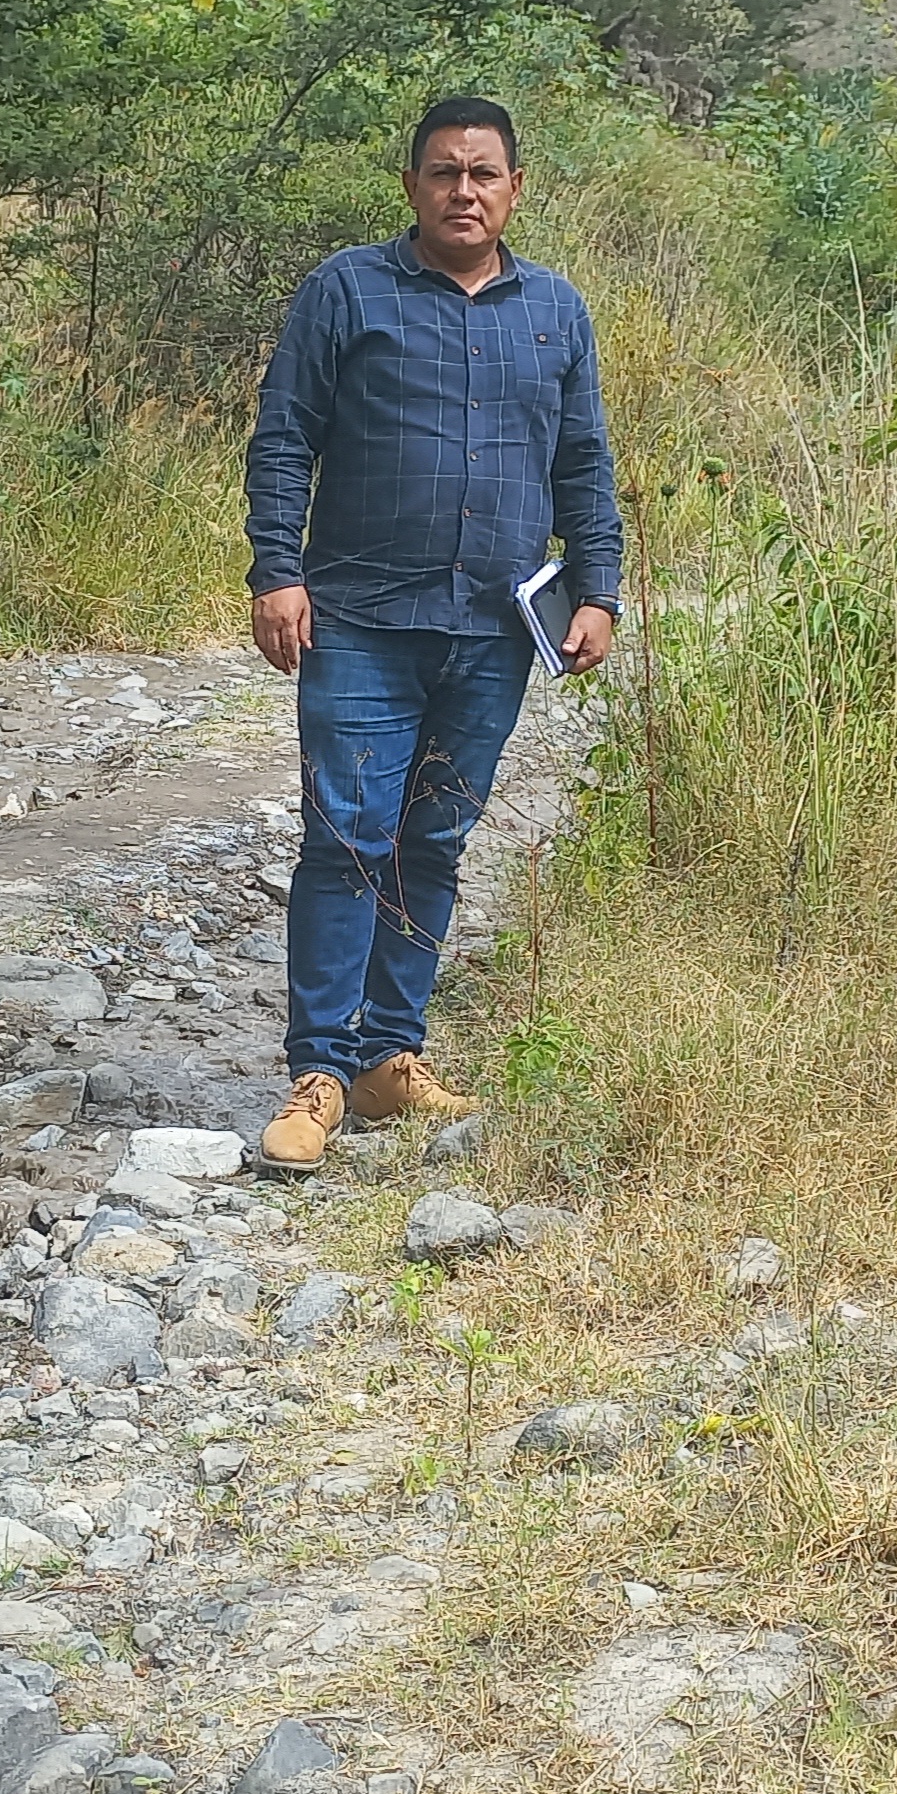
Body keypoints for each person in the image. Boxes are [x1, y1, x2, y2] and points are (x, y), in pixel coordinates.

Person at [242, 95, 624, 1172]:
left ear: (515, 188)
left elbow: (583, 461)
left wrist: (598, 590)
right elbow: (284, 437)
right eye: (444, 172)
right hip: (358, 620)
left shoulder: (554, 309)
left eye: (483, 173)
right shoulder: (347, 289)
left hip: (492, 631)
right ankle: (319, 1070)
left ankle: (387, 1056)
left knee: (433, 842)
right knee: (345, 840)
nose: (464, 190)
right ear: (410, 185)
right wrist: (277, 571)